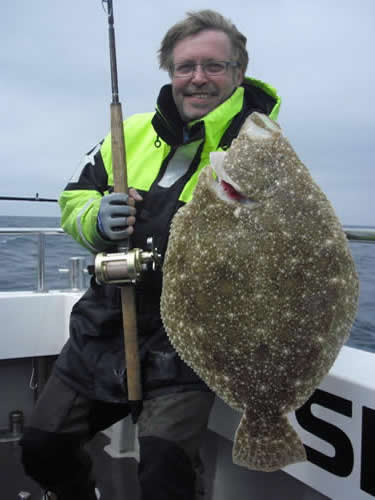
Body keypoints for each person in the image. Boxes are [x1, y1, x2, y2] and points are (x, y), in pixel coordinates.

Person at [20, 9, 281, 500]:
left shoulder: (260, 148)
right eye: (185, 67)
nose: (197, 78)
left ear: (238, 72)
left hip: (192, 338)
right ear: (170, 73)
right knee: (41, 445)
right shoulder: (132, 132)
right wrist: (97, 218)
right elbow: (73, 199)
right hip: (104, 325)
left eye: (213, 66)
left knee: (165, 470)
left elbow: (280, 245)